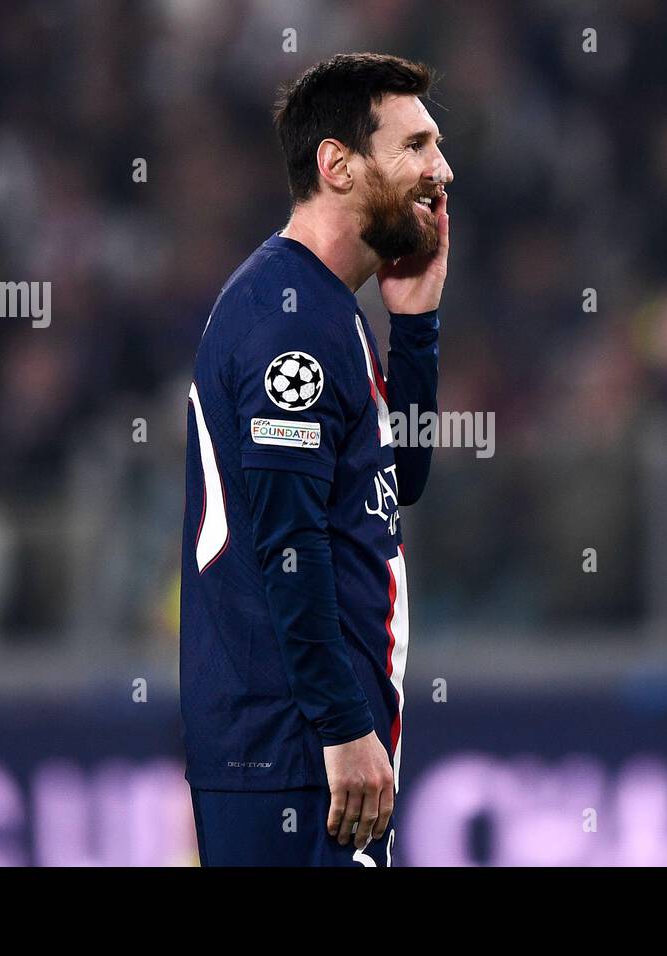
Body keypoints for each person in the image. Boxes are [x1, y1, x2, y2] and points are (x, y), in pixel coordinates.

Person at [179, 52, 453, 866]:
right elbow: (289, 544)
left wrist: (417, 329)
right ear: (338, 165)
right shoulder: (287, 321)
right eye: (416, 146)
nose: (442, 170)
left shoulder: (325, 308)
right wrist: (342, 728)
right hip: (293, 756)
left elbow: (400, 481)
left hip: (308, 751)